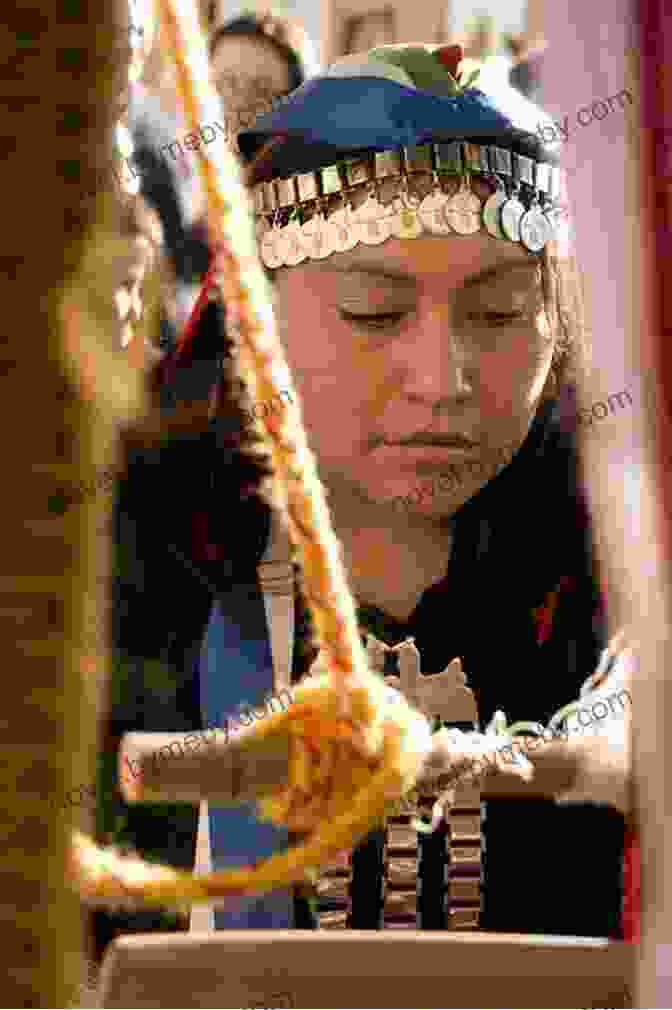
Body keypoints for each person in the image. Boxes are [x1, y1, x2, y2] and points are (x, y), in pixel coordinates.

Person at [99, 41, 625, 950]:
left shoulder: (622, 577)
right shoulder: (121, 579)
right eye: (374, 313)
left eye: (499, 313)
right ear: (253, 320)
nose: (443, 378)